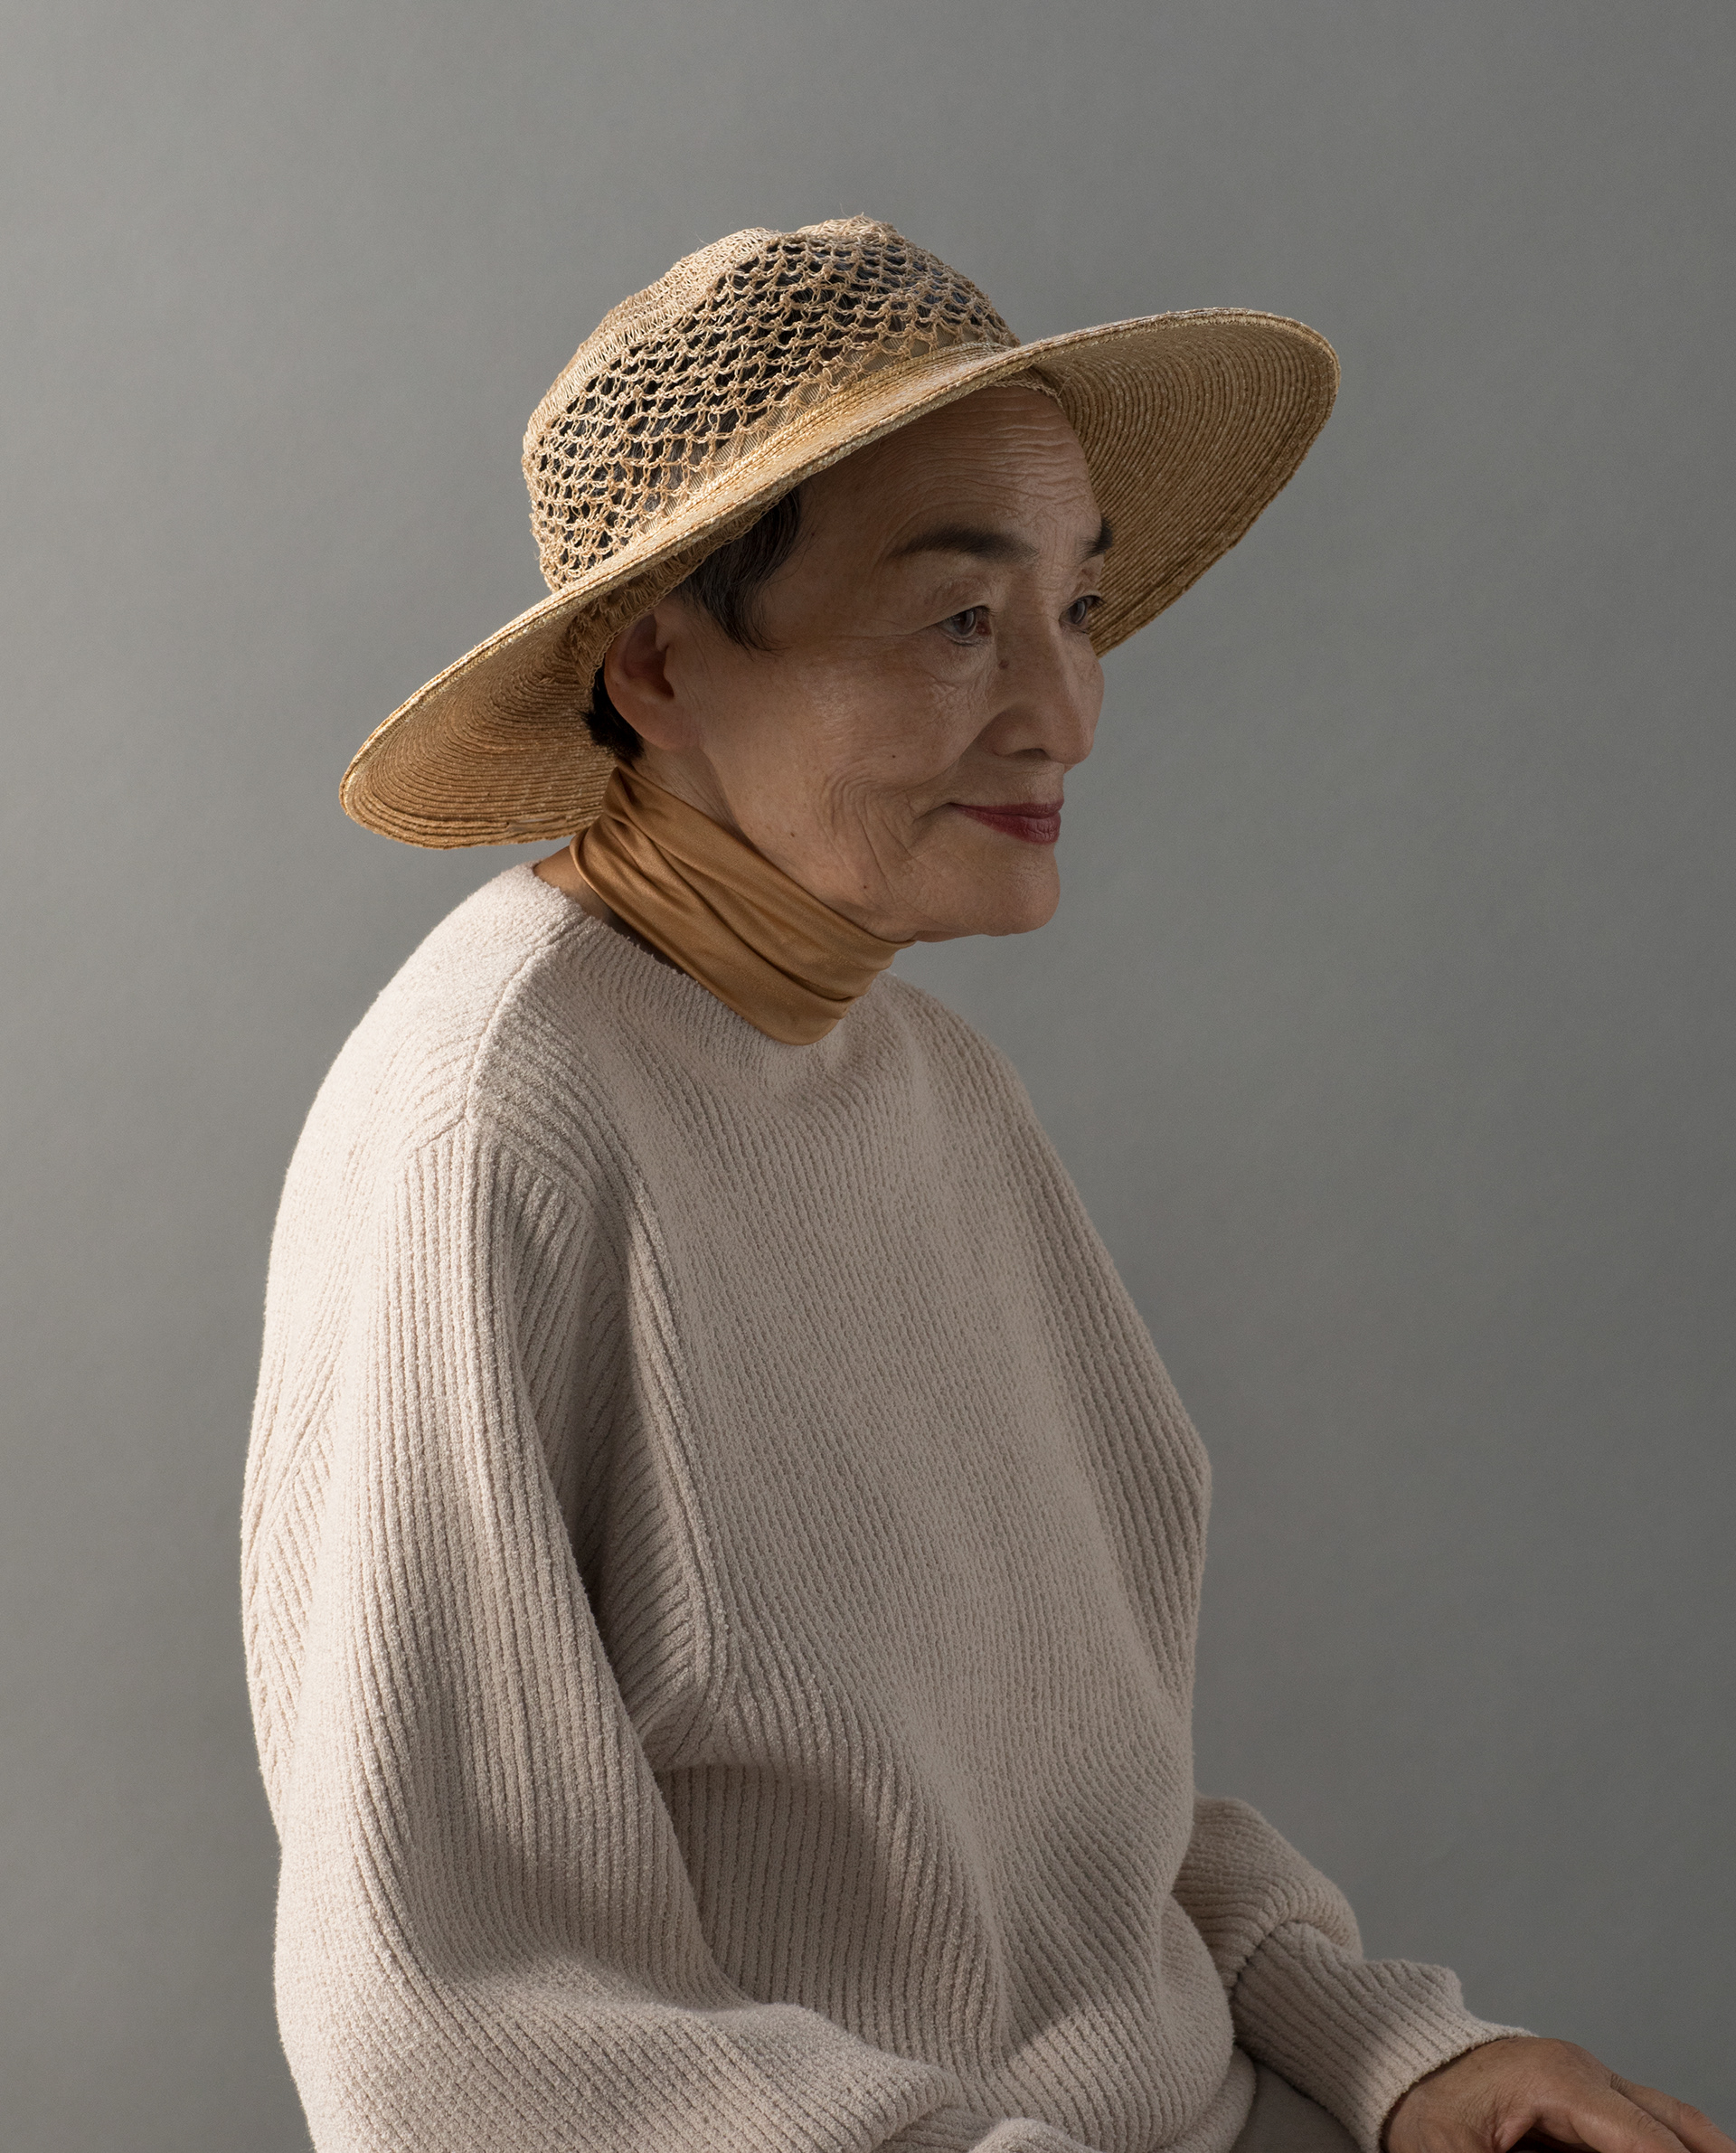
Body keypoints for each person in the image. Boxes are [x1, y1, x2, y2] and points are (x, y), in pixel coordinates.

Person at [243, 217, 1728, 2153]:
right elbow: (453, 2028)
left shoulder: (928, 1081)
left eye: (1077, 609)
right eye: (959, 620)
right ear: (663, 666)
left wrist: (1396, 2050)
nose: (1066, 710)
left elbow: (1068, 1811)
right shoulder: (492, 1130)